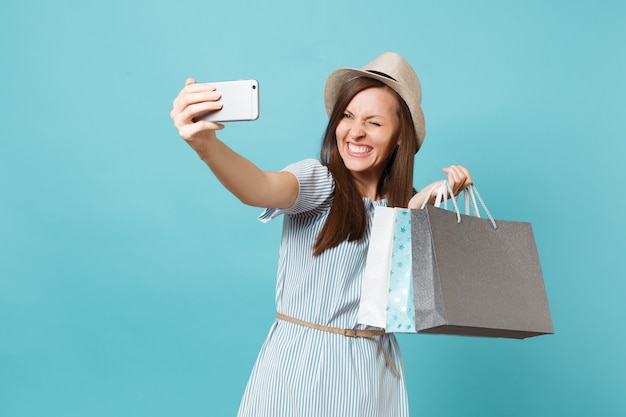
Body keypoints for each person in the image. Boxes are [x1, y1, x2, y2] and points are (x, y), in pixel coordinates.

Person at [170, 52, 472, 417]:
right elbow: (260, 186)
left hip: (375, 373)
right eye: (347, 116)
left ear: (399, 138)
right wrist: (208, 147)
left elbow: (409, 307)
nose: (355, 131)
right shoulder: (320, 181)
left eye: (373, 122)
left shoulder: (408, 206)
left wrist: (421, 209)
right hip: (303, 367)